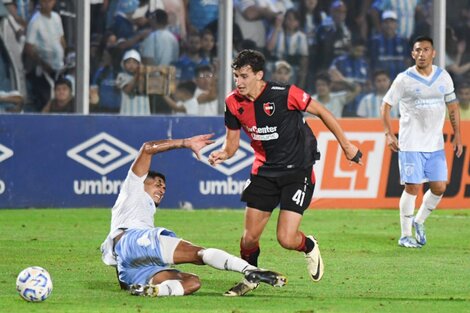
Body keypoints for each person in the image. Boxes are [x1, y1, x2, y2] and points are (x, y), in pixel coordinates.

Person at [208, 49, 362, 296]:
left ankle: (309, 245)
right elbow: (232, 144)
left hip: (297, 171)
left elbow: (322, 112)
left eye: (244, 76)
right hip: (264, 172)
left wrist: (346, 145)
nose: (239, 82)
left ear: (259, 75)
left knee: (286, 239)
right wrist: (223, 154)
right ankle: (251, 277)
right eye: (236, 76)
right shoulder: (232, 103)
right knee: (248, 239)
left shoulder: (285, 93)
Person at [100, 133, 287, 297]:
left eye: (164, 187)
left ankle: (156, 291)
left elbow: (121, 254)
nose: (162, 189)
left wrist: (125, 278)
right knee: (199, 254)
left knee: (192, 282)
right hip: (134, 239)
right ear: (142, 182)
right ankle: (250, 270)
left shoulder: (141, 211)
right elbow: (147, 148)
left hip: (130, 264)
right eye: (157, 184)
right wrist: (185, 142)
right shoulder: (133, 187)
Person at [381, 36, 463, 248]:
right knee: (413, 187)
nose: (421, 54)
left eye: (426, 50)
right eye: (418, 50)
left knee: (439, 187)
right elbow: (386, 105)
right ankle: (405, 235)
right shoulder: (404, 79)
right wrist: (389, 134)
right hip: (411, 144)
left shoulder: (443, 77)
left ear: (433, 53)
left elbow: (453, 107)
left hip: (435, 144)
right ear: (412, 54)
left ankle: (419, 221)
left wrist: (458, 135)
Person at [116, 49, 150, 115]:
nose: (131, 65)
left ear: (139, 64)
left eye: (134, 62)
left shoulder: (145, 77)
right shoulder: (121, 76)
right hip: (127, 115)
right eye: (128, 62)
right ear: (124, 64)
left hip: (143, 114)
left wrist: (142, 73)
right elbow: (127, 90)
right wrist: (137, 74)